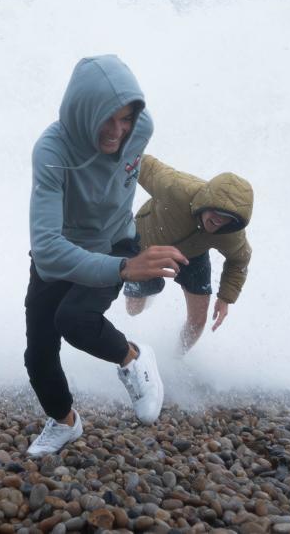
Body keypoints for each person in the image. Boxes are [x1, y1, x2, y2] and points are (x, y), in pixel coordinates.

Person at [24, 55, 187, 457]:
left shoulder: (141, 128)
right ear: (83, 112)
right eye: (107, 119)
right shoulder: (51, 151)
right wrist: (125, 269)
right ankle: (64, 423)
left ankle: (133, 357)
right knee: (38, 354)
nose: (118, 132)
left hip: (115, 241)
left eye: (125, 118)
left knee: (75, 320)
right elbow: (46, 250)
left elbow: (123, 174)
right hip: (65, 251)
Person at [124, 155, 254, 352]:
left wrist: (226, 298)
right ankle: (151, 287)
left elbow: (240, 261)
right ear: (206, 203)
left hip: (192, 255)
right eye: (216, 212)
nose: (219, 221)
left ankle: (176, 357)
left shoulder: (232, 234)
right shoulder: (175, 189)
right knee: (133, 309)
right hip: (147, 246)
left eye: (228, 218)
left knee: (198, 320)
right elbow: (141, 163)